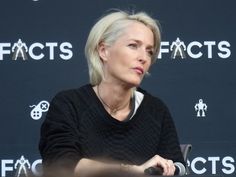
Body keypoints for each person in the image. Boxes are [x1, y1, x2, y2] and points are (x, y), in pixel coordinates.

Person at [39, 10, 185, 177]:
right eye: (133, 45)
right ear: (103, 51)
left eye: (149, 51)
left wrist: (167, 169)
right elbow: (61, 164)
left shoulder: (156, 110)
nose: (143, 57)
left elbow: (176, 165)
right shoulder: (69, 104)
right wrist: (134, 171)